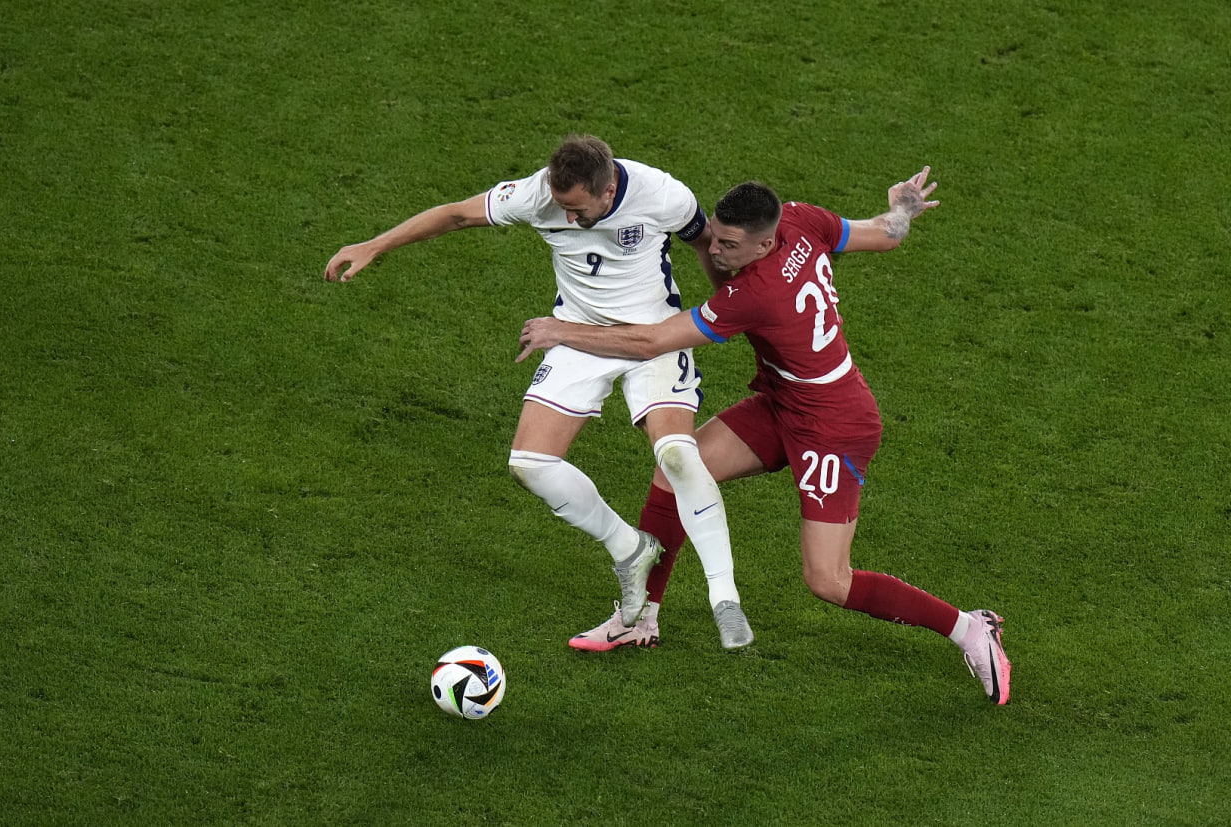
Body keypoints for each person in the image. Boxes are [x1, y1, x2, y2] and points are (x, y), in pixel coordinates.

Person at [516, 167, 1012, 704]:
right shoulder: (800, 219)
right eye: (716, 235)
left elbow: (652, 342)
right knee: (676, 468)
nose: (714, 247)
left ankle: (969, 627)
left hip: (833, 424)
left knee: (828, 580)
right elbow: (885, 234)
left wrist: (560, 330)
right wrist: (904, 209)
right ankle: (641, 617)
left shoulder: (756, 293)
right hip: (786, 401)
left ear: (765, 242)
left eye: (728, 244)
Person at [325, 134, 754, 649]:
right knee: (529, 463)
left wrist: (727, 304)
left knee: (678, 456)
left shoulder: (661, 193)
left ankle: (723, 598)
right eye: (561, 207)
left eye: (577, 209)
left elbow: (706, 242)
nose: (566, 218)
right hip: (576, 335)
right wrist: (374, 245)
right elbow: (457, 215)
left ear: (608, 186)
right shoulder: (538, 195)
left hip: (652, 338)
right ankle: (629, 548)